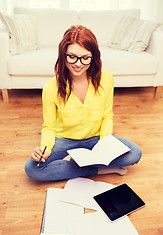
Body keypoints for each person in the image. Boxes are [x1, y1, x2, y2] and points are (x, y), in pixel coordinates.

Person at [25, 25, 142, 181]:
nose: (78, 64)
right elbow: (49, 126)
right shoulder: (50, 88)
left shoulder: (106, 79)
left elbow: (107, 116)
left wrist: (105, 145)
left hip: (95, 138)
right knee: (33, 169)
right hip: (64, 140)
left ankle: (74, 165)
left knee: (134, 153)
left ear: (93, 57)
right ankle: (98, 170)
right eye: (72, 56)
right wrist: (44, 149)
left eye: (85, 57)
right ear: (63, 55)